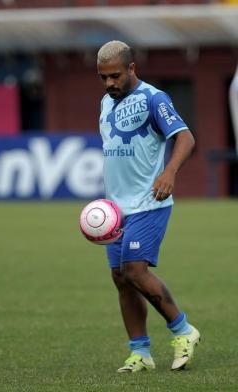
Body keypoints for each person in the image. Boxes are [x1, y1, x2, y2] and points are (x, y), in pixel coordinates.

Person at [97, 40, 200, 372]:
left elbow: (185, 137)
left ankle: (184, 330)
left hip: (149, 202)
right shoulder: (105, 103)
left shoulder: (153, 98)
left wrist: (169, 171)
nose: (109, 83)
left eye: (115, 75)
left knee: (135, 271)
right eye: (103, 77)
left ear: (131, 69)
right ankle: (140, 352)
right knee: (121, 277)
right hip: (117, 209)